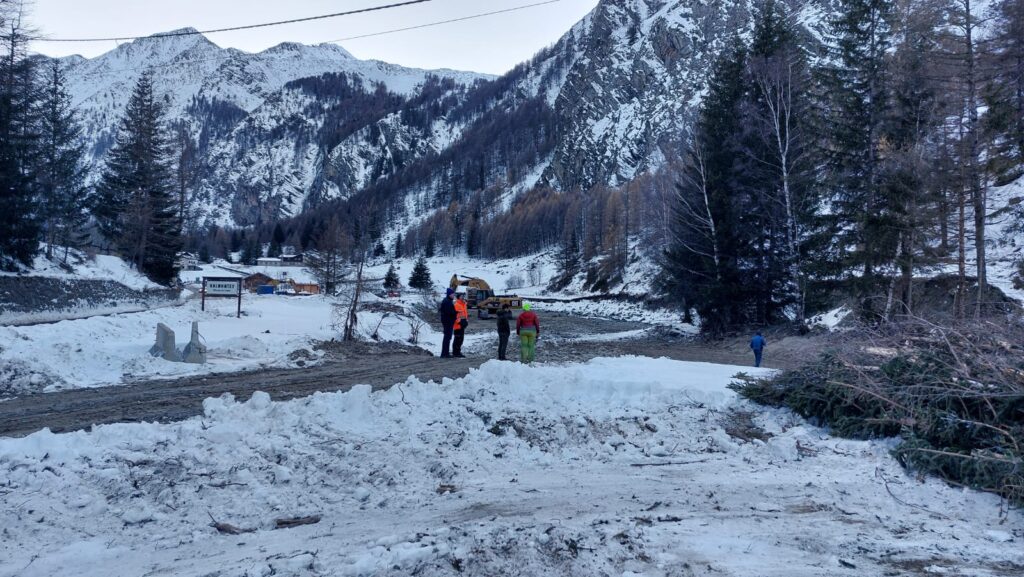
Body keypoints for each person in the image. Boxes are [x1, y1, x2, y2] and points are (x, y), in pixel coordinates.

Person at [438, 288, 457, 358]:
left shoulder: (448, 301)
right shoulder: (447, 302)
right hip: (447, 321)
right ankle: (444, 353)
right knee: (447, 337)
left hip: (448, 321)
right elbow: (448, 312)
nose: (454, 295)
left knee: (448, 337)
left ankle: (445, 353)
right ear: (449, 294)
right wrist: (455, 312)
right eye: (452, 294)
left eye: (454, 294)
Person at [452, 292, 469, 358]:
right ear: (458, 297)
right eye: (461, 296)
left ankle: (458, 351)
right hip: (458, 325)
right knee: (457, 339)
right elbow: (454, 316)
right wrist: (460, 322)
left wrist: (466, 321)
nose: (463, 297)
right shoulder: (457, 305)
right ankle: (456, 353)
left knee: (461, 339)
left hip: (462, 324)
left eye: (463, 296)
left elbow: (464, 314)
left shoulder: (464, 304)